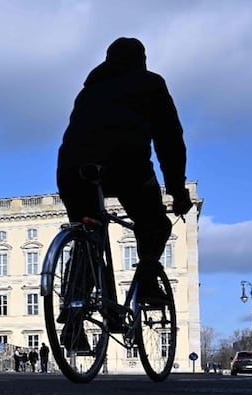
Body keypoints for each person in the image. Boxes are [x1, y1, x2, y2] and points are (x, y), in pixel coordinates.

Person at [56, 37, 192, 303]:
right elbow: (170, 141)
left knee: (88, 238)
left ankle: (73, 311)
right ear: (141, 60)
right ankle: (148, 282)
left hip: (71, 171)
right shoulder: (151, 83)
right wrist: (177, 192)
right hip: (125, 165)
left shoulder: (87, 91)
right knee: (156, 224)